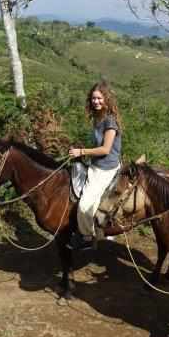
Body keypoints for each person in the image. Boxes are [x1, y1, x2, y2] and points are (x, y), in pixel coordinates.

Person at [66, 81, 123, 250]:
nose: (95, 101)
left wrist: (81, 152)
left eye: (99, 98)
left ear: (106, 99)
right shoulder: (98, 118)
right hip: (96, 164)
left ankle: (87, 237)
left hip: (105, 168)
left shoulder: (110, 122)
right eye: (93, 98)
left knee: (84, 206)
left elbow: (105, 149)